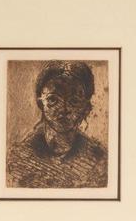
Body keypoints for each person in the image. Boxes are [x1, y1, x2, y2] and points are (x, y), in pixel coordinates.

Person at [7, 60, 108, 188]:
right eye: (53, 99)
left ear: (86, 107)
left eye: (74, 101)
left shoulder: (99, 161)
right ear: (40, 103)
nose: (63, 109)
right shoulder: (18, 158)